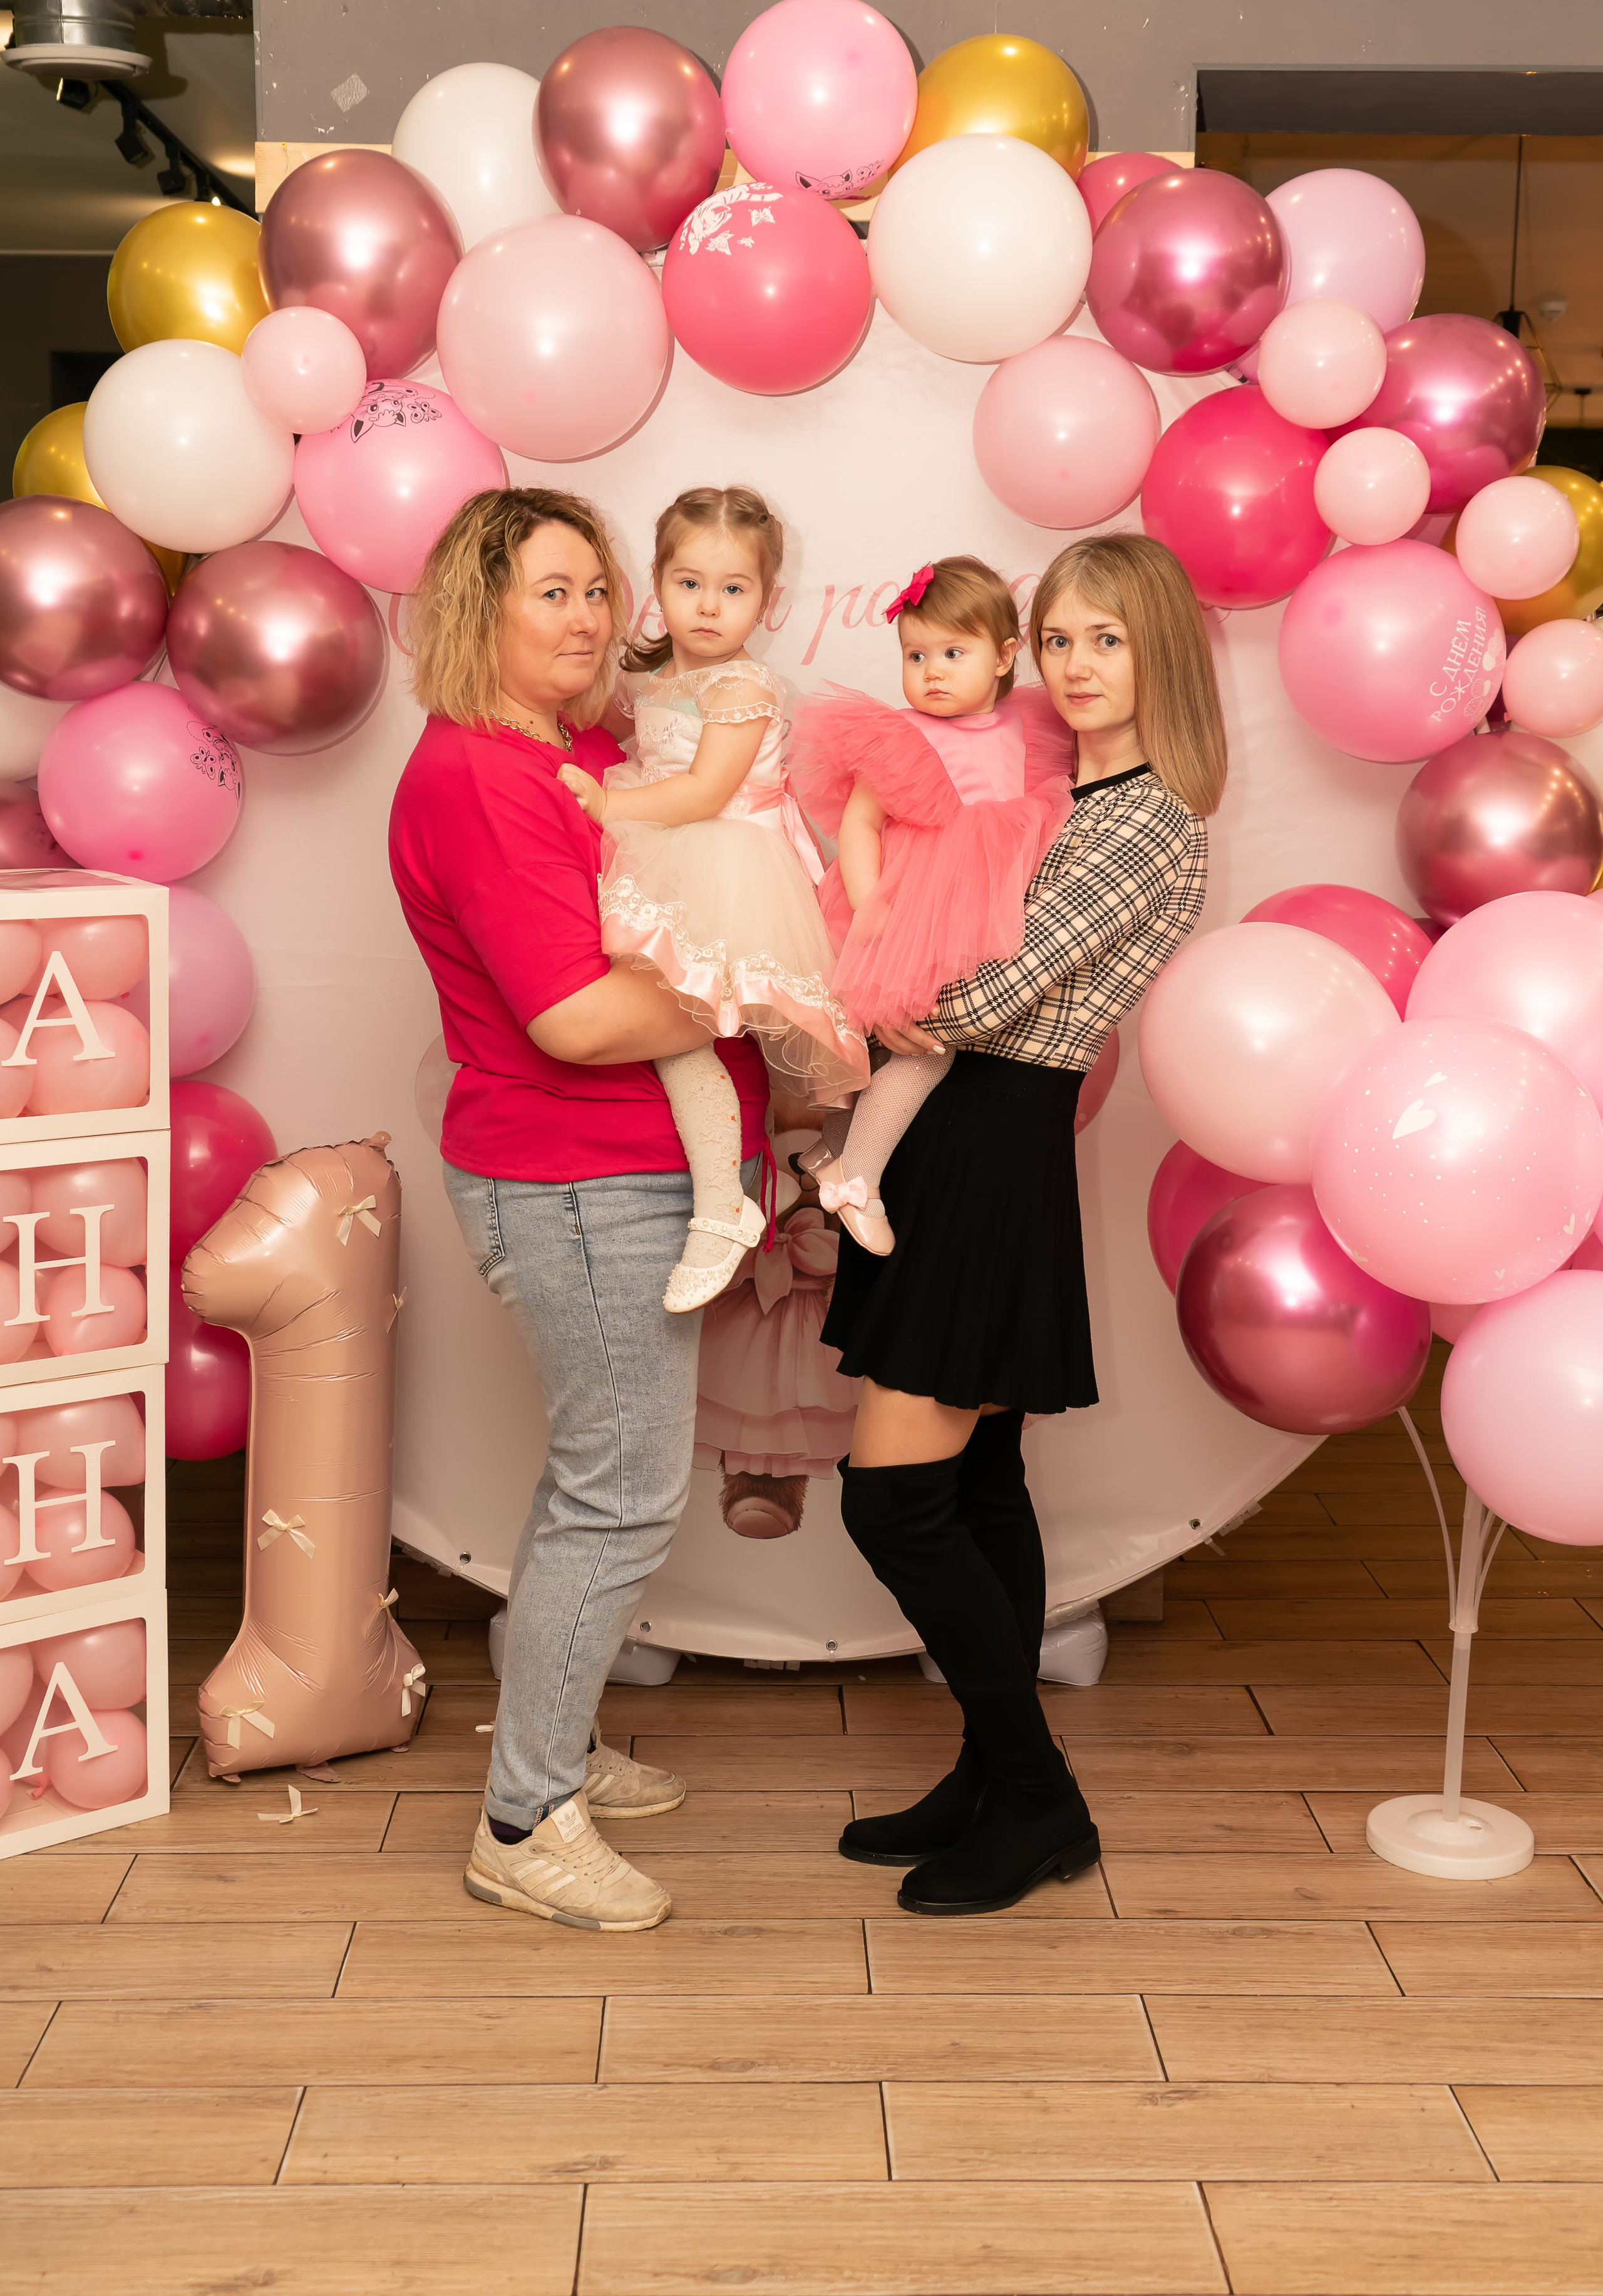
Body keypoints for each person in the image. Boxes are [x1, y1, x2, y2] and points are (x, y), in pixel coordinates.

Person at [822, 533, 1224, 1916]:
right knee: (980, 1482)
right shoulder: (1063, 798)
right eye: (1057, 637)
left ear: (1156, 649)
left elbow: (988, 993)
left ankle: (1038, 1796)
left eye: (1104, 638)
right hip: (949, 1130)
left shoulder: (1148, 819)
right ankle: (992, 1777)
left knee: (894, 1497)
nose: (1073, 662)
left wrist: (881, 996)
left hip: (991, 1139)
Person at [388, 485, 771, 1933]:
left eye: (598, 590)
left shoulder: (576, 750)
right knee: (618, 1495)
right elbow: (570, 1013)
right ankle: (520, 1817)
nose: (590, 617)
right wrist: (753, 987)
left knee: (591, 1482)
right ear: (478, 603)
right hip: (571, 1181)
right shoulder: (481, 776)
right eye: (552, 591)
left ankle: (549, 1741)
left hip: (610, 1171)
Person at [557, 485, 867, 1311]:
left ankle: (741, 1195)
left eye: (733, 589)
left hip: (729, 862)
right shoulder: (658, 679)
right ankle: (732, 1194)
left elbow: (701, 792)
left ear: (767, 602)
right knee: (672, 1032)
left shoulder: (743, 687)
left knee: (695, 1027)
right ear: (656, 585)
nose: (707, 604)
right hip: (676, 850)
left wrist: (608, 805)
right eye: (689, 582)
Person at [786, 554, 1075, 1254]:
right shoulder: (904, 736)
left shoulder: (1026, 726)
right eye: (916, 655)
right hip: (907, 909)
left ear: (1006, 656)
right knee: (917, 1049)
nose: (933, 672)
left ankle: (829, 1157)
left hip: (977, 911)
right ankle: (860, 1179)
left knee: (886, 1048)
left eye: (953, 652)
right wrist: (870, 905)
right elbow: (858, 824)